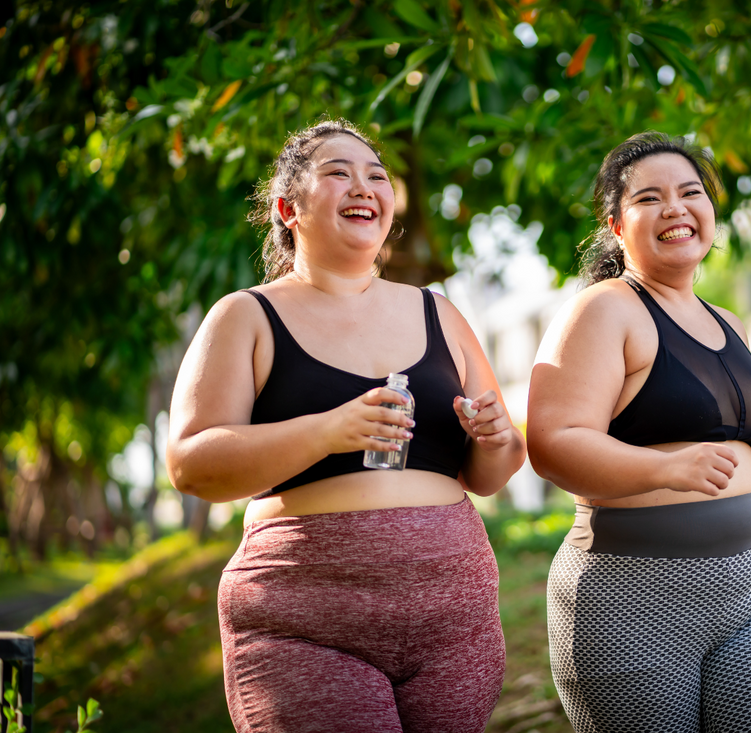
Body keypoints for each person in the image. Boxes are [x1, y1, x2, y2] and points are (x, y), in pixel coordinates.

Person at [166, 119, 526, 733]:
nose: (364, 186)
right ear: (288, 209)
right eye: (338, 174)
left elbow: (491, 473)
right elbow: (191, 464)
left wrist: (496, 437)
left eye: (377, 176)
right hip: (304, 621)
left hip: (454, 621)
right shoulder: (247, 317)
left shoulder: (438, 312)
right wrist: (330, 431)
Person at [526, 131, 751, 733]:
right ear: (616, 226)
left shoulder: (728, 324)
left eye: (690, 192)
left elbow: (740, 458)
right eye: (649, 198)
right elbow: (553, 443)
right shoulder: (605, 309)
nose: (675, 207)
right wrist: (662, 469)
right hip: (630, 600)